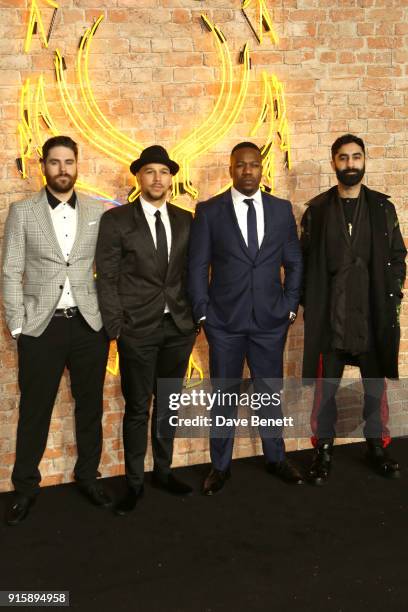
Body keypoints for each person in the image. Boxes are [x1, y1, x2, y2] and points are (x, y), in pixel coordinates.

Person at [2, 135, 111, 526]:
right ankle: (26, 489)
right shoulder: (22, 211)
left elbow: (109, 269)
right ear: (43, 166)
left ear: (77, 164)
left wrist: (107, 320)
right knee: (34, 410)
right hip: (40, 327)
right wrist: (18, 325)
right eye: (54, 162)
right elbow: (11, 271)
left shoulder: (98, 211)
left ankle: (88, 477)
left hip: (88, 326)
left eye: (68, 162)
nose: (62, 169)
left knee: (90, 407)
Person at [188, 142, 304, 495]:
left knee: (270, 393)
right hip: (224, 323)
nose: (248, 171)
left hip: (270, 321)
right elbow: (197, 266)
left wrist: (288, 306)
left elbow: (294, 263)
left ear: (262, 168)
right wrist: (203, 312)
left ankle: (276, 458)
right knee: (224, 396)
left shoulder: (282, 210)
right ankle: (219, 467)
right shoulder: (209, 211)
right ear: (231, 169)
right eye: (241, 165)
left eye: (254, 165)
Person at [301, 133, 406, 484]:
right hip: (331, 320)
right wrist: (310, 304)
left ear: (364, 160)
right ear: (334, 162)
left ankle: (377, 447)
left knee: (375, 390)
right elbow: (303, 262)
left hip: (372, 315)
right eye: (343, 158)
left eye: (356, 157)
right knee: (325, 392)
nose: (350, 164)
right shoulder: (316, 211)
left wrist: (392, 296)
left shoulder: (382, 208)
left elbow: (398, 256)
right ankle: (324, 450)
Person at [96, 145, 196, 515]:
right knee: (138, 407)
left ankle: (164, 472)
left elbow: (194, 273)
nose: (157, 178)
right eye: (150, 171)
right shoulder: (117, 221)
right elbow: (106, 277)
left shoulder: (187, 220)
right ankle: (134, 483)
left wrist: (195, 318)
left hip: (179, 328)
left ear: (172, 178)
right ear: (138, 177)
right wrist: (115, 326)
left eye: (164, 172)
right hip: (136, 329)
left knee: (169, 404)